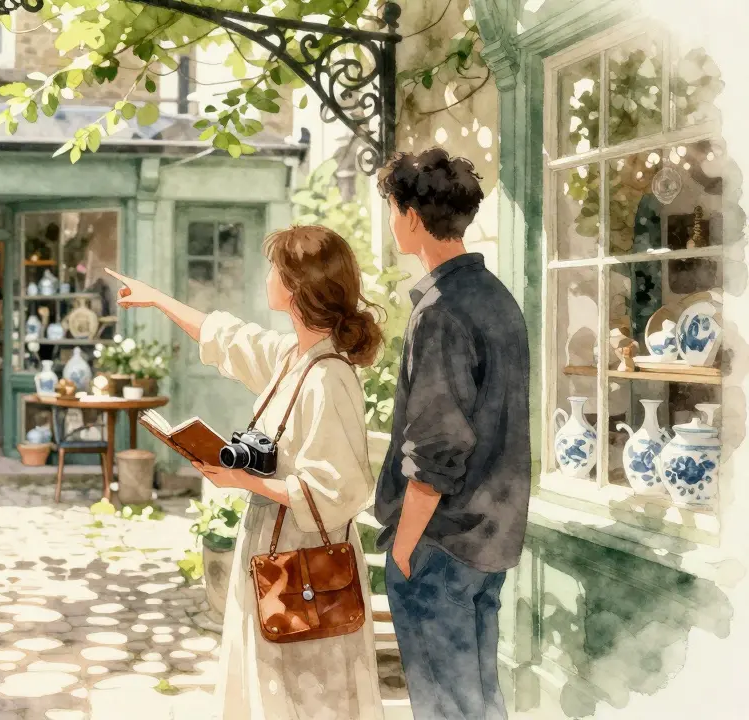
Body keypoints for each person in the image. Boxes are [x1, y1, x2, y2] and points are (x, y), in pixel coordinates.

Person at [107, 225, 385, 720]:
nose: (266, 276)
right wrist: (157, 300)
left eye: (275, 268)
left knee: (307, 687)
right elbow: (228, 337)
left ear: (298, 288)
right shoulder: (292, 358)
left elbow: (337, 490)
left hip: (305, 560)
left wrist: (243, 480)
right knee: (268, 679)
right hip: (271, 544)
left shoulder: (328, 377)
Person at [373, 148, 530, 720]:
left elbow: (438, 446)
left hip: (441, 542)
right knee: (479, 701)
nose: (393, 221)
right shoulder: (496, 299)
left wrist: (406, 546)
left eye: (393, 209)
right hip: (489, 539)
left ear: (412, 216)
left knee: (445, 707)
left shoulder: (440, 310)